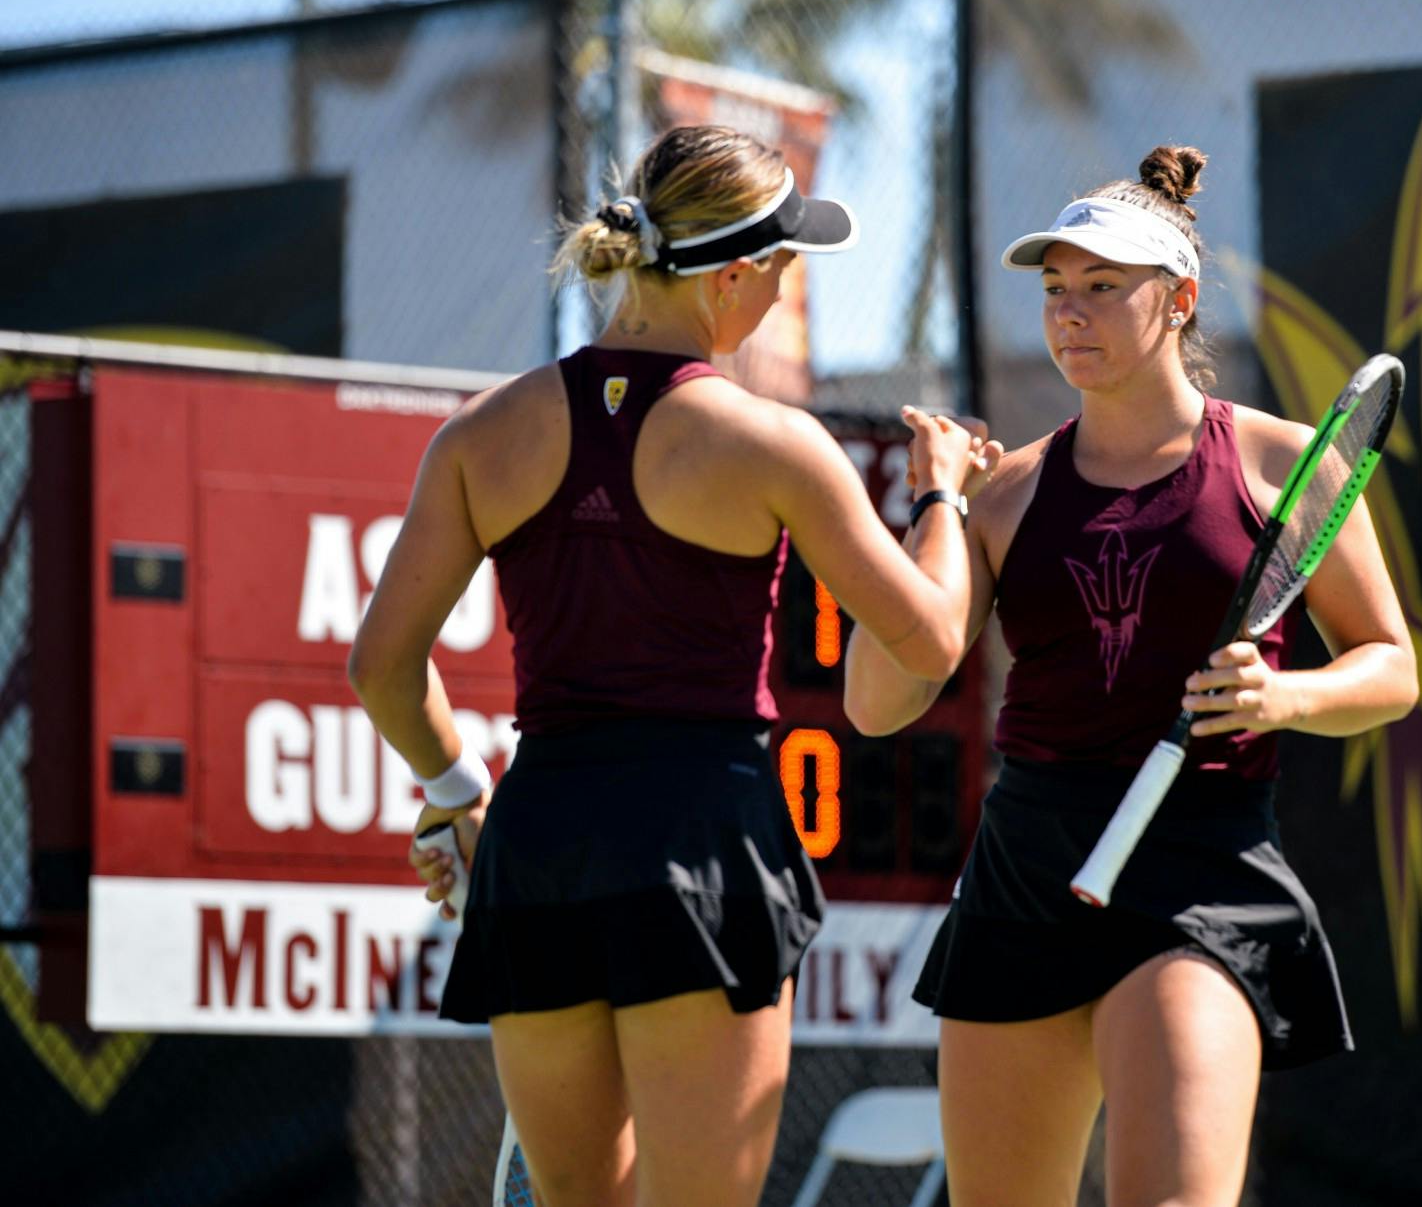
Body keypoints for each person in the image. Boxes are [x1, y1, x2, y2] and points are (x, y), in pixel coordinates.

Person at [347, 124, 999, 1207]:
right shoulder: (772, 441)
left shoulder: (478, 436)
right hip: (706, 842)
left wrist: (454, 796)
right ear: (734, 277)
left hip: (539, 844)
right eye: (782, 273)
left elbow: (382, 665)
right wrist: (941, 495)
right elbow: (928, 637)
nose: (781, 294)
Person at [844, 145, 1419, 1207]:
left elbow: (1390, 667)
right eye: (1056, 288)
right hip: (1024, 874)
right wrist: (934, 505)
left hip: (1201, 870)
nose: (1069, 311)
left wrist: (1282, 695)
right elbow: (877, 702)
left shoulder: (1278, 460)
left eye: (1102, 286)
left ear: (1178, 298)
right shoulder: (1005, 494)